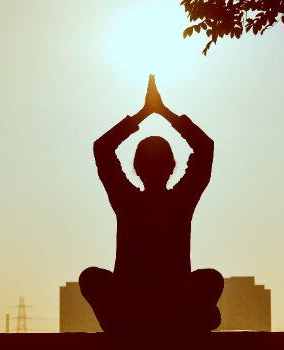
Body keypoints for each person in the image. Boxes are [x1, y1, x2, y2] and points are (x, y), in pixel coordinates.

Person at [80, 75, 223, 333]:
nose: (154, 169)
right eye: (149, 163)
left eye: (159, 163)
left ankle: (146, 318)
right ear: (137, 168)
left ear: (171, 167)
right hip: (142, 304)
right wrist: (147, 113)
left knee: (212, 279)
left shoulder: (180, 201)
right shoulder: (128, 200)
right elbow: (102, 148)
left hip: (144, 310)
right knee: (90, 277)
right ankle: (158, 318)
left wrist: (161, 112)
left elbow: (205, 147)